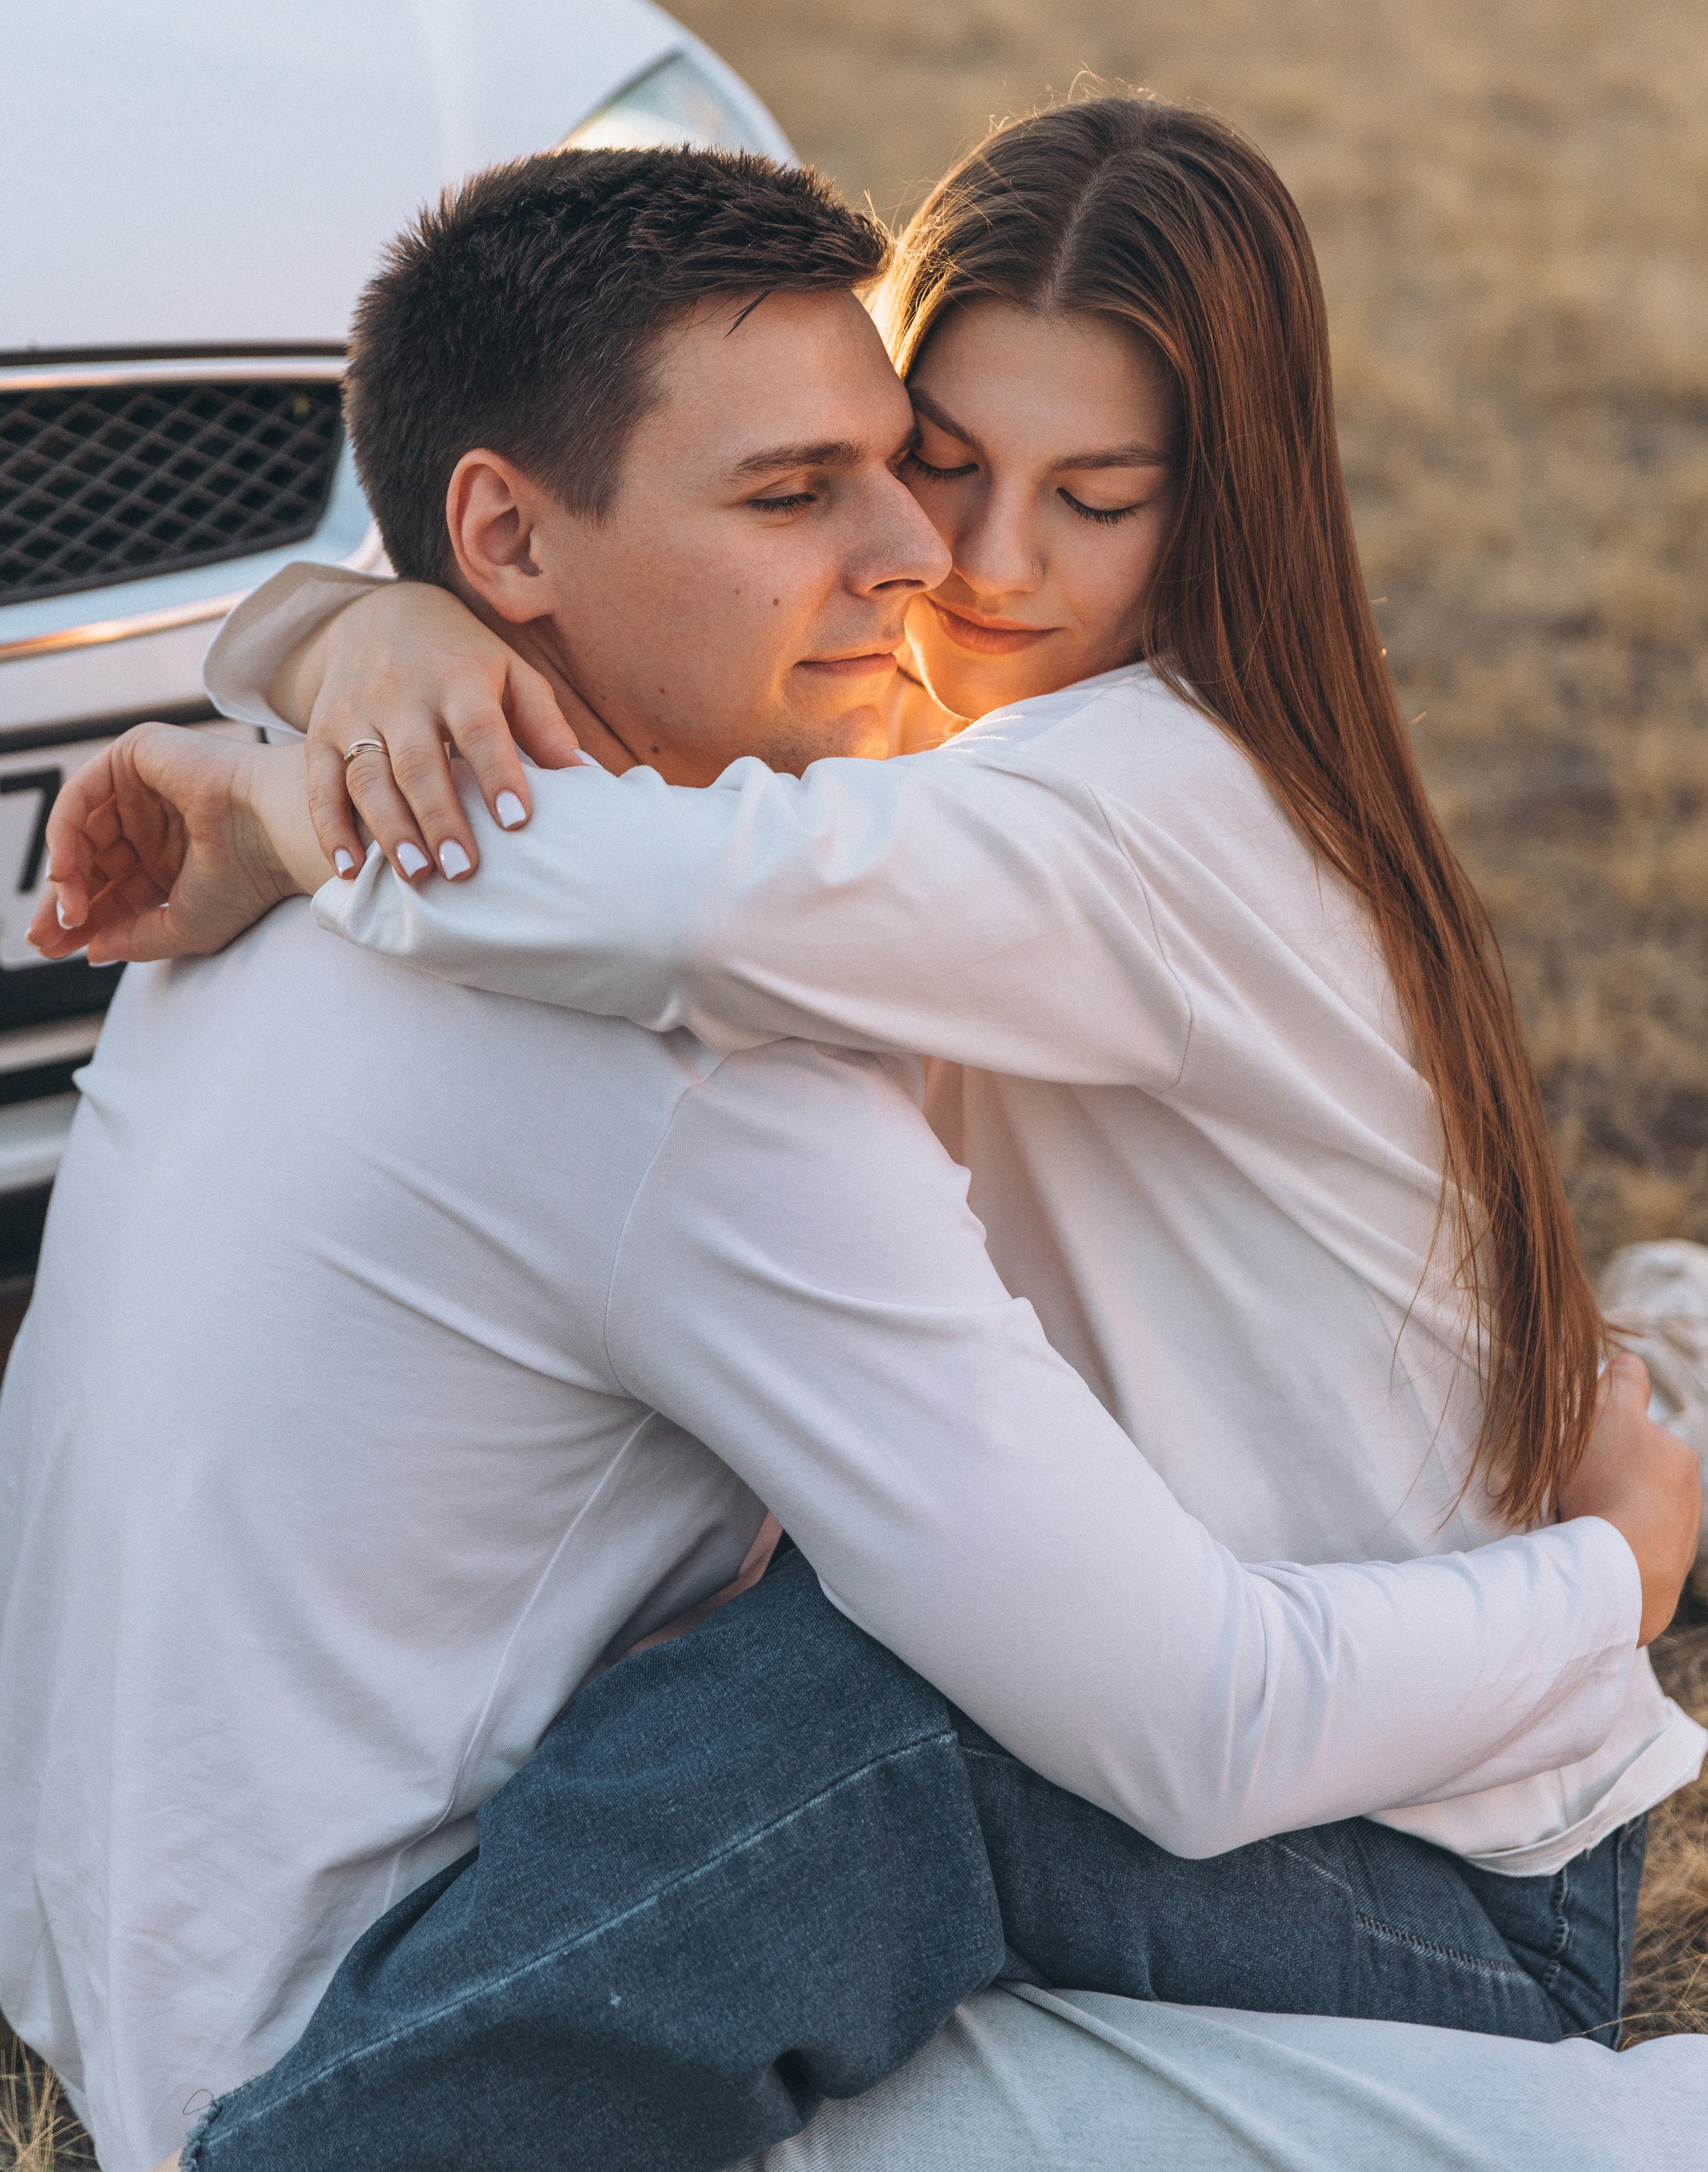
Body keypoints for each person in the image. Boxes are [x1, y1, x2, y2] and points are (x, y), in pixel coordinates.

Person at [27, 141, 1695, 2172]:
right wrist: (335, 648)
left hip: (1403, 1839)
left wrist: (295, 770)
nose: (953, 560)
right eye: (900, 465)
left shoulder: (1121, 803)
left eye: (1096, 500)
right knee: (880, 1636)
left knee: (865, 1700)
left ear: (1229, 510)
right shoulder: (928, 782)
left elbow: (665, 902)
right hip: (1272, 1736)